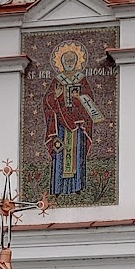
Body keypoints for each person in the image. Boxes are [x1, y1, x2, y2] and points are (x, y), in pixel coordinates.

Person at [42, 43, 99, 196]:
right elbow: (47, 101)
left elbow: (89, 100)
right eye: (66, 62)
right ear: (61, 63)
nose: (68, 64)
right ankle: (58, 188)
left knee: (77, 153)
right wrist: (55, 96)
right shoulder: (57, 81)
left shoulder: (81, 79)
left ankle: (77, 186)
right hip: (60, 124)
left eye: (71, 61)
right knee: (60, 151)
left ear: (76, 62)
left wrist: (79, 98)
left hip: (78, 124)